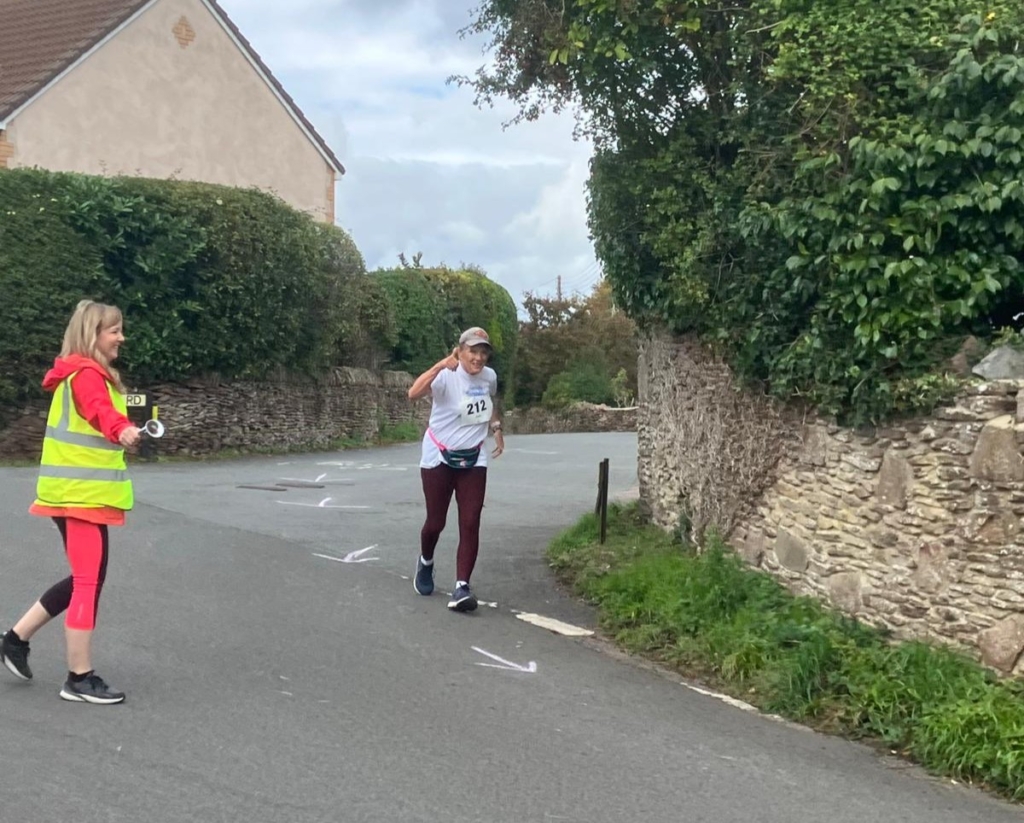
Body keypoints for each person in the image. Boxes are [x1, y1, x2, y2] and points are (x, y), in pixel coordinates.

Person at [0, 300, 141, 704]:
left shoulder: (84, 373)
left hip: (80, 494)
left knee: (87, 578)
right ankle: (79, 678)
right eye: (114, 330)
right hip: (79, 496)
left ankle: (15, 640)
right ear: (92, 334)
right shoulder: (86, 375)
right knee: (87, 582)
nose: (121, 337)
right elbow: (98, 411)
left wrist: (123, 427)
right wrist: (121, 429)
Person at [408, 327, 505, 612]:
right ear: (460, 351)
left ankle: (462, 586)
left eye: (483, 352)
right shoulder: (446, 376)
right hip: (438, 455)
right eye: (473, 351)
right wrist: (441, 365)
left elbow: (488, 403)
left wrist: (496, 427)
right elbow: (413, 393)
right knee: (435, 522)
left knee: (471, 520)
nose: (478, 358)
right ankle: (426, 560)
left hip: (473, 457)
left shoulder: (489, 377)